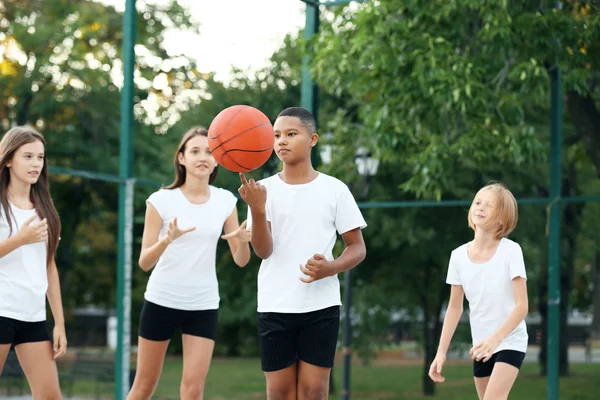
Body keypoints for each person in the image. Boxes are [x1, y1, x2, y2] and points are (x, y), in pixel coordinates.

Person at [240, 107, 367, 400]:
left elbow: (357, 247)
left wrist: (331, 267)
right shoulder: (262, 190)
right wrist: (257, 211)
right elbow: (263, 250)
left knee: (314, 391)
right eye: (276, 135)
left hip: (320, 307)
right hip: (274, 305)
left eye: (291, 134)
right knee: (280, 392)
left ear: (313, 139)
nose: (281, 141)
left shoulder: (335, 189)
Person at [128, 126, 251, 400]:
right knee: (143, 387)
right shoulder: (160, 201)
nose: (202, 157)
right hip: (161, 300)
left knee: (193, 390)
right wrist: (166, 240)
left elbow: (241, 261)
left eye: (209, 151)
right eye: (194, 151)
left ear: (217, 159)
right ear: (181, 158)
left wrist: (242, 240)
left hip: (203, 305)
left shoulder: (225, 201)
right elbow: (144, 263)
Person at [429, 182, 529, 400]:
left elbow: (522, 306)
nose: (480, 208)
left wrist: (496, 339)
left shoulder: (511, 251)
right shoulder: (457, 256)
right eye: (477, 202)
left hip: (510, 340)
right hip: (481, 346)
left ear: (502, 218)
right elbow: (455, 308)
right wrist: (440, 352)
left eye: (489, 205)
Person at [0, 126, 67, 399]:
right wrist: (20, 238)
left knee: (50, 396)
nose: (36, 163)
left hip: (33, 316)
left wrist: (59, 323)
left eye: (40, 157)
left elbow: (49, 266)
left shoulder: (45, 209)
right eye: (28, 156)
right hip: (2, 310)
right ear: (8, 160)